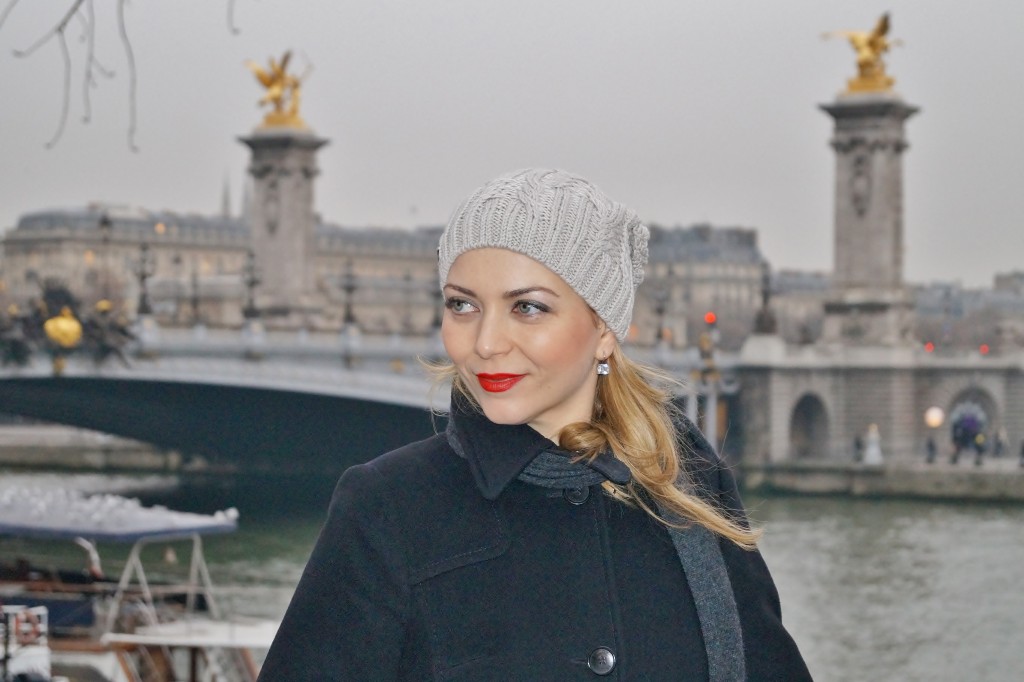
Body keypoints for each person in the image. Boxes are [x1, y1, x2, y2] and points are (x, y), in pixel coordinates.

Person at [258, 169, 811, 681]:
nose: (486, 343)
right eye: (462, 305)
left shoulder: (689, 480)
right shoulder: (388, 505)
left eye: (527, 307)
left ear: (604, 328)